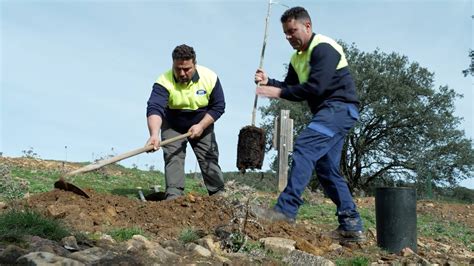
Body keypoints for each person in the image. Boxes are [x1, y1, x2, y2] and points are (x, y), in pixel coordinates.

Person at [253, 7, 365, 242]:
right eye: (285, 33)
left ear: (307, 26)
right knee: (326, 169)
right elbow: (292, 89)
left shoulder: (324, 48)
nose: (289, 37)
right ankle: (351, 225)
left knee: (304, 146)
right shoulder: (297, 58)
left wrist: (277, 91)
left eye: (292, 31)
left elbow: (316, 88)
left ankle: (285, 210)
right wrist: (269, 81)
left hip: (339, 108)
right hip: (329, 113)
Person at [146, 44, 226, 200]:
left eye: (187, 69)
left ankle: (218, 195)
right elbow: (155, 108)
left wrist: (202, 126)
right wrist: (154, 134)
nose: (182, 73)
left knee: (208, 157)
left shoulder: (209, 77)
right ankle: (174, 197)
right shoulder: (163, 81)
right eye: (178, 69)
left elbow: (219, 106)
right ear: (173, 65)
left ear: (195, 64)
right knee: (173, 156)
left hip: (202, 122)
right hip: (173, 123)